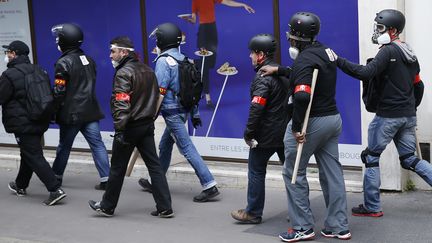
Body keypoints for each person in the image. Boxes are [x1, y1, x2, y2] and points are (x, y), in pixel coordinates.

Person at [262, 12, 351, 241]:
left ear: (296, 38)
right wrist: (280, 70)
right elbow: (310, 73)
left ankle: (302, 227)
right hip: (332, 120)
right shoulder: (323, 51)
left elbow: (302, 96)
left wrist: (297, 127)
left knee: (293, 172)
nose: (289, 38)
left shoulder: (302, 59)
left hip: (311, 122)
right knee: (332, 172)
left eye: (291, 35)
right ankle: (338, 226)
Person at [336, 9, 431, 217]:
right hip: (407, 115)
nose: (376, 31)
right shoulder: (409, 52)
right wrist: (411, 109)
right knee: (410, 159)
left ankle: (372, 206)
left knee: (371, 157)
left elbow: (366, 73)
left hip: (388, 116)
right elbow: (419, 85)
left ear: (393, 30)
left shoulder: (387, 51)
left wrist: (338, 61)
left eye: (380, 28)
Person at [88, 36, 173, 218]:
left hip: (129, 126)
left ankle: (107, 206)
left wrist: (120, 130)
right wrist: (150, 118)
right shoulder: (148, 70)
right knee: (155, 166)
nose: (110, 55)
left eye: (113, 51)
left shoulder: (123, 73)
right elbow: (157, 99)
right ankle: (165, 207)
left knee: (117, 168)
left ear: (124, 52)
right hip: (146, 125)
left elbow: (121, 104)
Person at [140, 22, 220, 202]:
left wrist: (151, 114)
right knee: (165, 145)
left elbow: (160, 91)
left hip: (171, 112)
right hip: (183, 109)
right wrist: (195, 113)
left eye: (157, 40)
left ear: (162, 40)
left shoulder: (163, 61)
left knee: (186, 148)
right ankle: (156, 181)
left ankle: (209, 184)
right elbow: (192, 89)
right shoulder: (183, 59)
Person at [230, 34, 289, 224]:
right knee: (291, 173)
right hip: (285, 132)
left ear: (261, 54)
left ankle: (253, 213)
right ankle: (300, 211)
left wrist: (249, 133)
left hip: (265, 135)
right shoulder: (282, 73)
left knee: (256, 170)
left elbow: (257, 107)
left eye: (252, 53)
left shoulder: (263, 77)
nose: (250, 57)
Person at [0, 40, 66, 206]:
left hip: (22, 122)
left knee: (33, 154)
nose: (6, 55)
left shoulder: (9, 75)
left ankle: (54, 189)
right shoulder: (39, 70)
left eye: (8, 52)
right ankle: (20, 185)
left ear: (14, 54)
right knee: (28, 152)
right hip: (40, 118)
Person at [51, 23, 110, 190]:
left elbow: (59, 90)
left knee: (64, 146)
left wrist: (52, 109)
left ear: (64, 41)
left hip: (72, 114)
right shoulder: (88, 59)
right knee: (97, 144)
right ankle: (107, 179)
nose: (57, 41)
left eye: (59, 38)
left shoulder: (63, 62)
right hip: (90, 111)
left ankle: (55, 178)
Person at [181, 0, 255, 108]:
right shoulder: (195, 1)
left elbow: (227, 2)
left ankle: (191, 61)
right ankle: (208, 98)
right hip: (203, 32)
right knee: (205, 66)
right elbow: (193, 20)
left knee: (211, 63)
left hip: (212, 30)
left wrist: (242, 5)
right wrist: (187, 19)